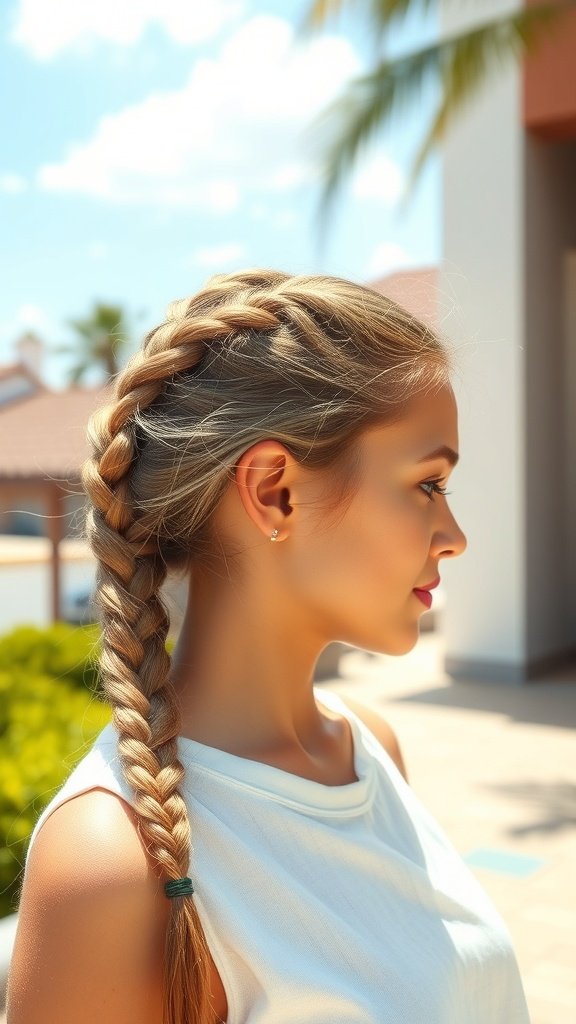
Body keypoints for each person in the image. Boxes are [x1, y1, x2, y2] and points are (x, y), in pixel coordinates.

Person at [7, 269, 531, 1024]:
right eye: (427, 484)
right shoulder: (110, 864)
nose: (454, 537)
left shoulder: (370, 750)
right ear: (275, 491)